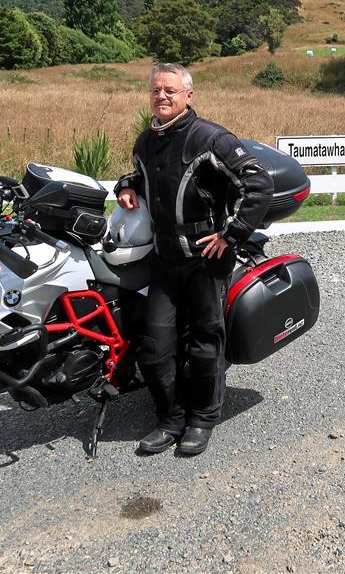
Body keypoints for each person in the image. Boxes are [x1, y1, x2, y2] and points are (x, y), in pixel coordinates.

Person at [115, 63, 273, 455]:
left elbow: (259, 182)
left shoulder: (210, 138)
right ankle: (169, 419)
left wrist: (232, 233)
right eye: (155, 91)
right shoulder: (145, 141)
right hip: (165, 262)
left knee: (205, 344)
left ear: (188, 95)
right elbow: (143, 175)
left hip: (205, 261)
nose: (161, 96)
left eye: (170, 90)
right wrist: (126, 186)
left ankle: (202, 420)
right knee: (155, 347)